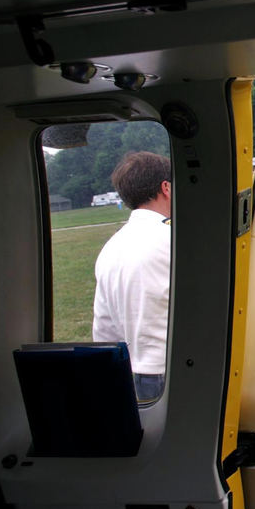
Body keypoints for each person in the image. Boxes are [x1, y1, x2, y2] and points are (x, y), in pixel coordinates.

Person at [92, 151, 172, 402]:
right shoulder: (173, 241)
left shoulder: (110, 248)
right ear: (166, 188)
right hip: (171, 372)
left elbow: (104, 330)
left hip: (129, 374)